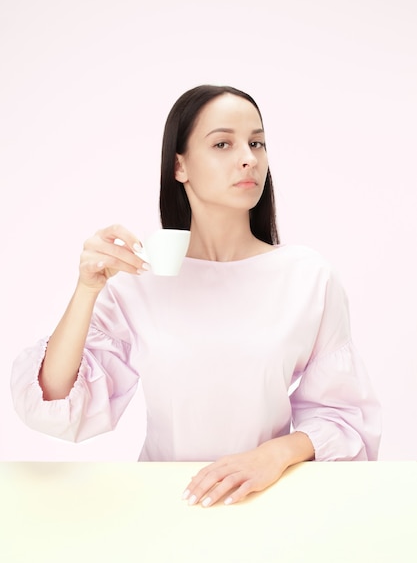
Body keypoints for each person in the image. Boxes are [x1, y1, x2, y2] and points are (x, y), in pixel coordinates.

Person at [11, 84, 382, 507]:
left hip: (268, 503)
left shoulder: (308, 278)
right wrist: (86, 290)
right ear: (179, 166)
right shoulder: (139, 279)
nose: (249, 158)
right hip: (162, 505)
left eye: (257, 143)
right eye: (223, 143)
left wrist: (273, 455)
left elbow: (346, 418)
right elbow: (54, 404)